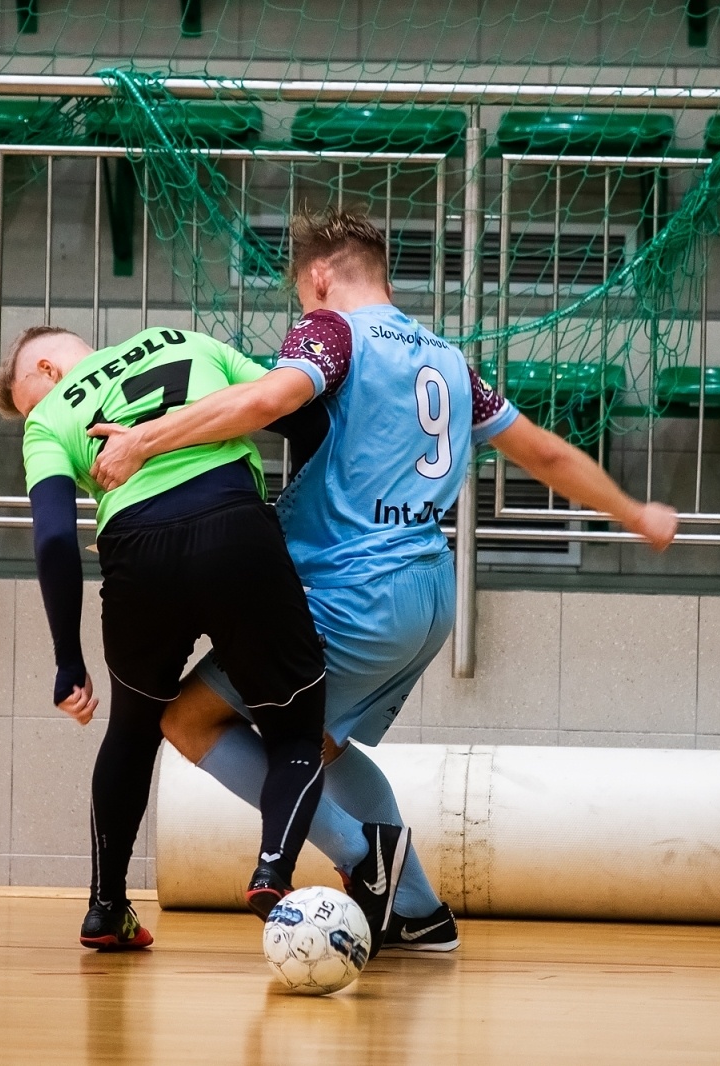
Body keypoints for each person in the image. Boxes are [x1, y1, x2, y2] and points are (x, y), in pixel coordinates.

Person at [89, 209, 678, 956]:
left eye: (302, 297)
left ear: (321, 277)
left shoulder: (332, 333)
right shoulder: (448, 361)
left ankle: (367, 864)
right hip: (428, 593)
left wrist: (146, 438)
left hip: (350, 590)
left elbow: (270, 399)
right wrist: (634, 513)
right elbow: (549, 456)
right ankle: (420, 912)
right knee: (321, 745)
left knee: (189, 720)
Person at [0, 322, 409, 950]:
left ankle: (106, 907)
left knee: (132, 732)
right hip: (236, 531)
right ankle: (272, 870)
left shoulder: (51, 415)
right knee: (295, 724)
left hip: (137, 557)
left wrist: (67, 660)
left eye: (27, 401)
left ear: (47, 371)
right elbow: (304, 420)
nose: (35, 413)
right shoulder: (183, 339)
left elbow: (53, 538)